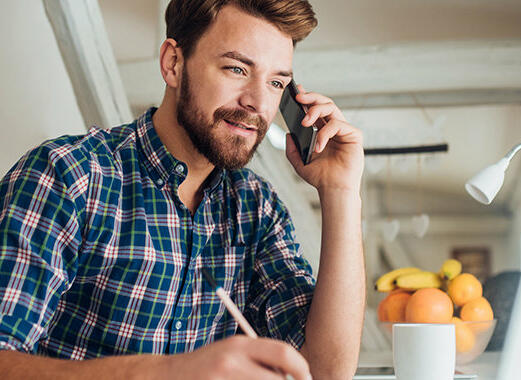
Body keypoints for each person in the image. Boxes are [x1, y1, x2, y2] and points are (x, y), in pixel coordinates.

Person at [0, 0, 364, 378]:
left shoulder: (258, 209)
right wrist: (168, 372)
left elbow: (326, 372)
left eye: (276, 83)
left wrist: (340, 191)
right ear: (173, 63)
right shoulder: (68, 176)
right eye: (237, 68)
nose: (257, 103)